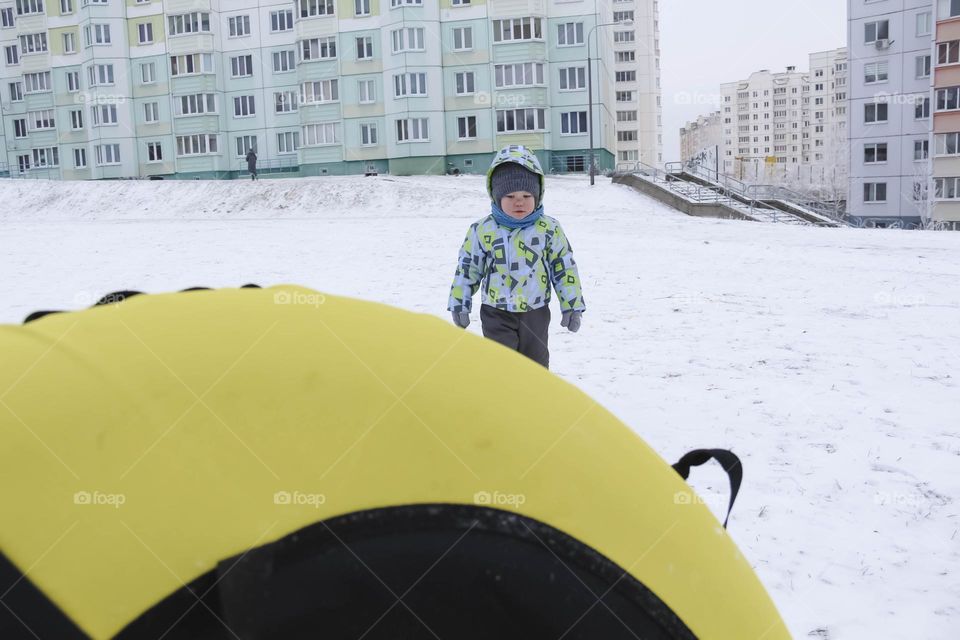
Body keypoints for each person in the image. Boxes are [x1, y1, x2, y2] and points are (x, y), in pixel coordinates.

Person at [447, 145, 585, 369]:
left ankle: (533, 401)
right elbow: (468, 268)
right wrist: (460, 302)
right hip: (496, 311)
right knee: (501, 365)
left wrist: (572, 304)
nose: (518, 202)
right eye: (510, 195)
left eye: (526, 195)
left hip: (536, 312)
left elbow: (563, 267)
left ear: (538, 195)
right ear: (496, 196)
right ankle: (502, 402)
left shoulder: (548, 229)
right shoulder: (483, 230)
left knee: (536, 365)